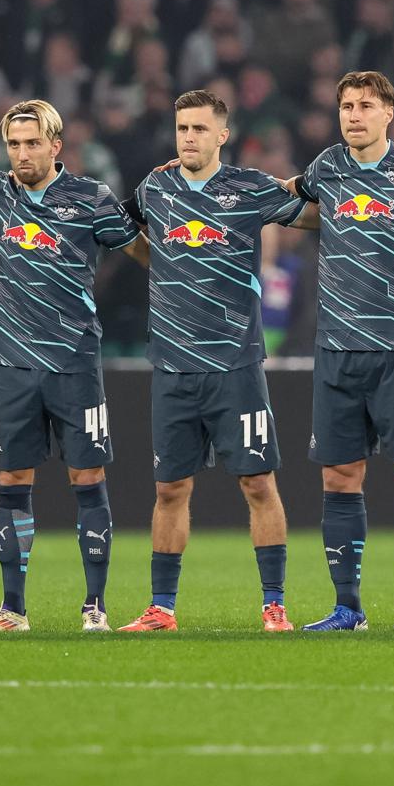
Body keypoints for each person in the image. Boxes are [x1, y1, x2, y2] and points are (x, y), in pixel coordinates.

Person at [116, 89, 304, 633]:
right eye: (182, 128)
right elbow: (126, 232)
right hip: (173, 367)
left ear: (221, 135)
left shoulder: (248, 188)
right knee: (169, 489)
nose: (189, 138)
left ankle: (274, 606)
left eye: (200, 129)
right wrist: (160, 261)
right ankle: (162, 609)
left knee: (258, 485)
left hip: (235, 366)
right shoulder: (157, 186)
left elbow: (309, 211)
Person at [0, 99, 148, 633]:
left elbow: (138, 249)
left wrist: (180, 283)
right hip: (13, 363)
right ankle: (12, 609)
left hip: (74, 361)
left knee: (87, 476)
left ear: (55, 145)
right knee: (11, 479)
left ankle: (95, 606)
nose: (21, 153)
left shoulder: (90, 198)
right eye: (14, 144)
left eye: (31, 143)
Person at [285, 70, 394, 632]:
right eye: (345, 106)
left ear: (390, 112)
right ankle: (347, 607)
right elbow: (288, 194)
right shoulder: (326, 167)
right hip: (337, 349)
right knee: (338, 478)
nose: (353, 115)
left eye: (364, 106)